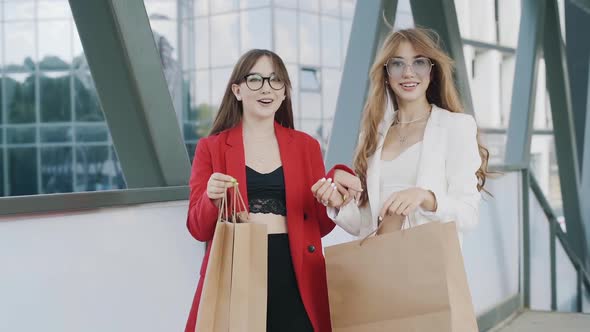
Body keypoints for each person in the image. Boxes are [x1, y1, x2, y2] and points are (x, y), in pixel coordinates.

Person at [184, 49, 349, 332]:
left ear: (284, 92)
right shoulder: (211, 148)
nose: (267, 89)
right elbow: (198, 229)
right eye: (256, 80)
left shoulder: (306, 146)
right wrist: (211, 199)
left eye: (275, 81)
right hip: (238, 270)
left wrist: (331, 198)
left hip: (296, 271)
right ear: (237, 90)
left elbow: (319, 226)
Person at [314, 28, 490, 244]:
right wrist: (338, 203)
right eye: (397, 64)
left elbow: (468, 215)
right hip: (383, 267)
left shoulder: (456, 127)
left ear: (431, 72)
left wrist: (426, 198)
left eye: (419, 63)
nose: (408, 72)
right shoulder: (373, 135)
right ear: (386, 75)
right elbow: (366, 225)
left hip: (432, 267)